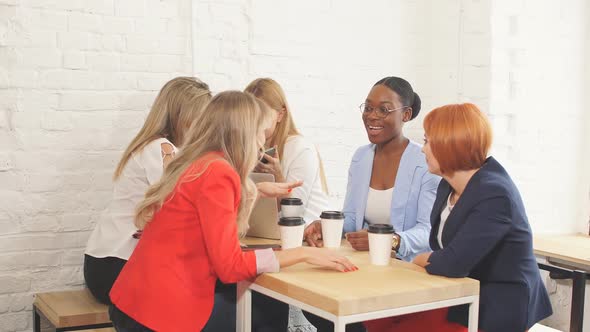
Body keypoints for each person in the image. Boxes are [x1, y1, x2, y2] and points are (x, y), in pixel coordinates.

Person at [108, 91, 358, 332]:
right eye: (261, 131)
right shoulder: (219, 172)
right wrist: (300, 253)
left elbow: (204, 207)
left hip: (132, 304)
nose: (263, 140)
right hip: (161, 316)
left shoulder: (199, 163)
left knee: (253, 299)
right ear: (244, 134)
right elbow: (230, 267)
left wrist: (257, 190)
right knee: (271, 305)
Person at [368, 103, 553, 332]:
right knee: (378, 321)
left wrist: (420, 259)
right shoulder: (448, 185)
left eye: (427, 141)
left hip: (498, 302)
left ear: (450, 145)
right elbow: (446, 255)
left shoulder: (494, 193)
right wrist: (434, 259)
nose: (422, 150)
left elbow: (453, 263)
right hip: (462, 291)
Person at [303, 76, 440, 332]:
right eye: (368, 108)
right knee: (315, 305)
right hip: (366, 270)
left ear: (406, 114)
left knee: (344, 320)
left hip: (405, 273)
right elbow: (352, 219)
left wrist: (388, 240)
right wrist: (326, 225)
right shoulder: (361, 157)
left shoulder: (425, 161)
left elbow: (428, 231)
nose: (372, 116)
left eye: (383, 109)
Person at [83, 77, 212, 304]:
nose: (205, 127)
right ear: (182, 117)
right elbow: (179, 207)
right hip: (117, 267)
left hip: (108, 263)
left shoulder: (158, 147)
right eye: (201, 118)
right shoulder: (161, 148)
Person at [245, 77, 330, 223]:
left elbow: (292, 216)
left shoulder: (301, 149)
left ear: (280, 114)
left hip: (307, 235)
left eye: (262, 114)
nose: (255, 122)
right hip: (271, 234)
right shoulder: (251, 147)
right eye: (250, 114)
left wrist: (278, 176)